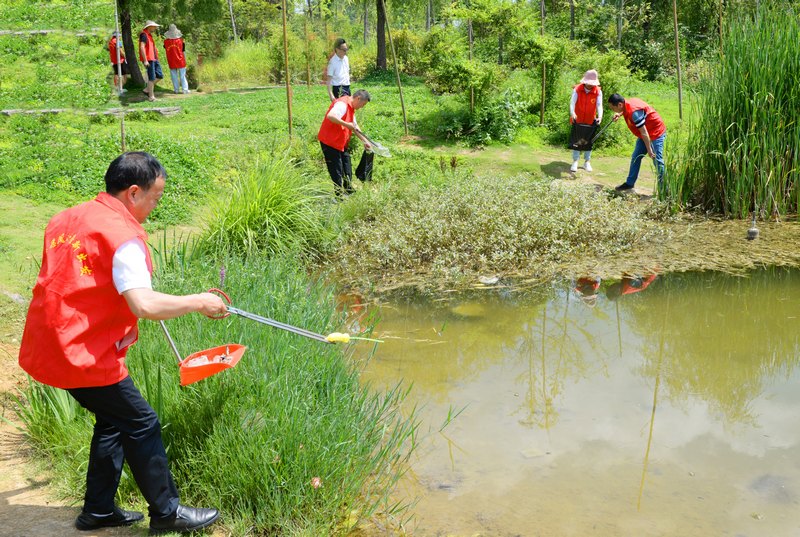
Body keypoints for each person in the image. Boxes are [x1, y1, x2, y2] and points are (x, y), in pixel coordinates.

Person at [18, 152, 224, 534]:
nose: (154, 206)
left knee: (113, 421)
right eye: (155, 197)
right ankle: (167, 513)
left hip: (51, 342)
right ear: (133, 192)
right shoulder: (122, 236)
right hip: (81, 353)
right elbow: (143, 303)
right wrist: (199, 301)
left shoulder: (67, 217)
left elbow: (79, 283)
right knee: (142, 422)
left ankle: (97, 510)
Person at [317, 89, 372, 196]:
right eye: (363, 104)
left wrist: (365, 141)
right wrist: (346, 124)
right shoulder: (342, 104)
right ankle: (338, 195)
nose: (362, 107)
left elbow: (355, 126)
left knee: (347, 167)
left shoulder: (351, 107)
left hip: (340, 142)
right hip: (329, 142)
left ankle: (348, 190)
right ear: (358, 98)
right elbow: (331, 116)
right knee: (336, 170)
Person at [608, 93, 666, 192]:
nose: (612, 110)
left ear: (620, 105)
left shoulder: (634, 113)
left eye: (613, 108)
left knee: (657, 160)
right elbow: (643, 131)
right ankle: (629, 184)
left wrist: (649, 150)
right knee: (636, 157)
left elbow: (644, 132)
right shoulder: (626, 104)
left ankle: (664, 190)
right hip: (645, 133)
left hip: (656, 132)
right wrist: (619, 114)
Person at [569, 69, 603, 173]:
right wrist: (573, 113)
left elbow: (599, 105)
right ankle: (575, 161)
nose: (590, 85)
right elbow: (572, 103)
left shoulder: (598, 91)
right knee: (577, 140)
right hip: (577, 119)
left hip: (590, 120)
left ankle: (587, 162)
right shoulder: (577, 89)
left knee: (589, 141)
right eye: (589, 83)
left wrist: (600, 116)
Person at [139, 20, 163, 102]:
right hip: (149, 59)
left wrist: (157, 57)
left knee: (160, 75)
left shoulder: (149, 35)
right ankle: (151, 97)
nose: (156, 27)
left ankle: (147, 89)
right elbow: (142, 47)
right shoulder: (144, 35)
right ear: (149, 27)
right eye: (154, 26)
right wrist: (145, 60)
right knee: (151, 78)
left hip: (154, 58)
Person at [163, 24, 189, 94]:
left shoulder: (165, 42)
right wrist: (185, 59)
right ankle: (185, 89)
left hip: (171, 60)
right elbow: (183, 51)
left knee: (173, 75)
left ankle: (176, 89)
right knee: (182, 75)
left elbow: (165, 48)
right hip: (181, 60)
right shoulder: (181, 41)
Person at [108, 31, 129, 96]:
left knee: (116, 74)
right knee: (124, 75)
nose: (120, 37)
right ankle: (120, 88)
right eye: (120, 35)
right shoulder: (118, 41)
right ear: (118, 36)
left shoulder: (110, 42)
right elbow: (120, 51)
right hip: (120, 60)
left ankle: (117, 88)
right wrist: (126, 56)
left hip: (114, 60)